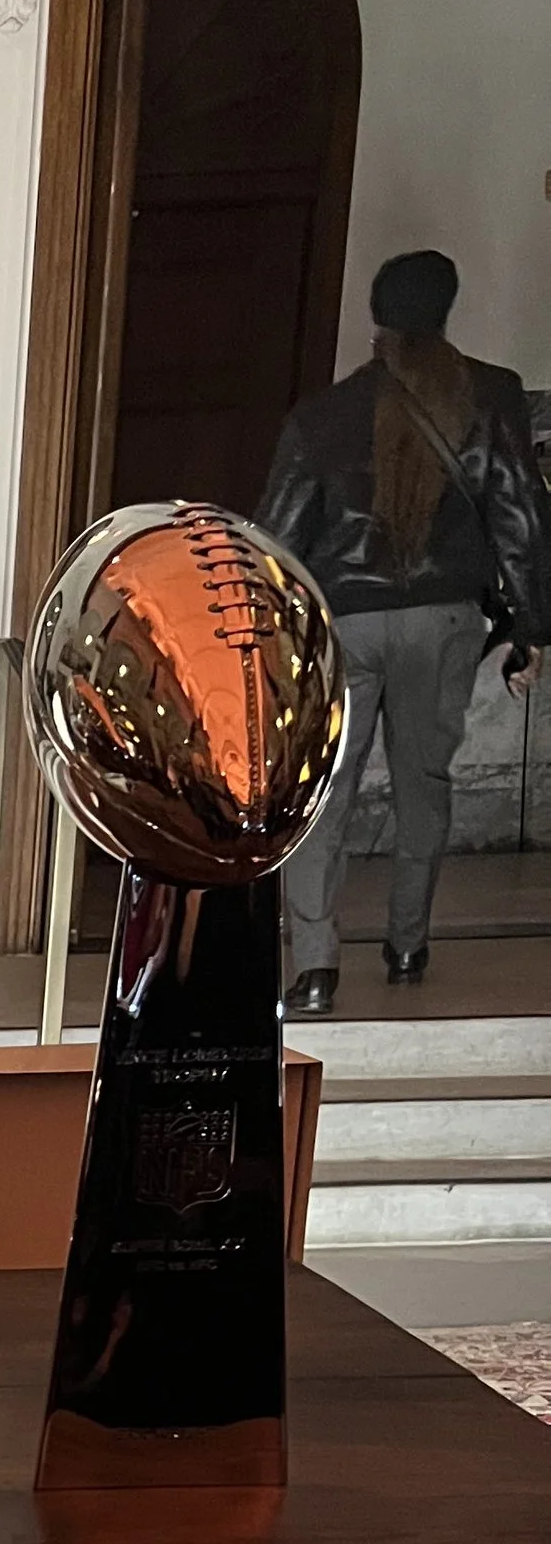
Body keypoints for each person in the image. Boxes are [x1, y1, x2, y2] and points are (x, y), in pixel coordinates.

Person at [257, 250, 551, 1017]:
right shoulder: (492, 396)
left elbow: (278, 539)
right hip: (446, 621)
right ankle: (408, 943)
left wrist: (278, 645)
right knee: (425, 785)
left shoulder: (321, 415)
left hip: (344, 624)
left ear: (376, 320)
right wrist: (531, 627)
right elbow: (519, 517)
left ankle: (316, 968)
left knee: (326, 793)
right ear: (446, 311)